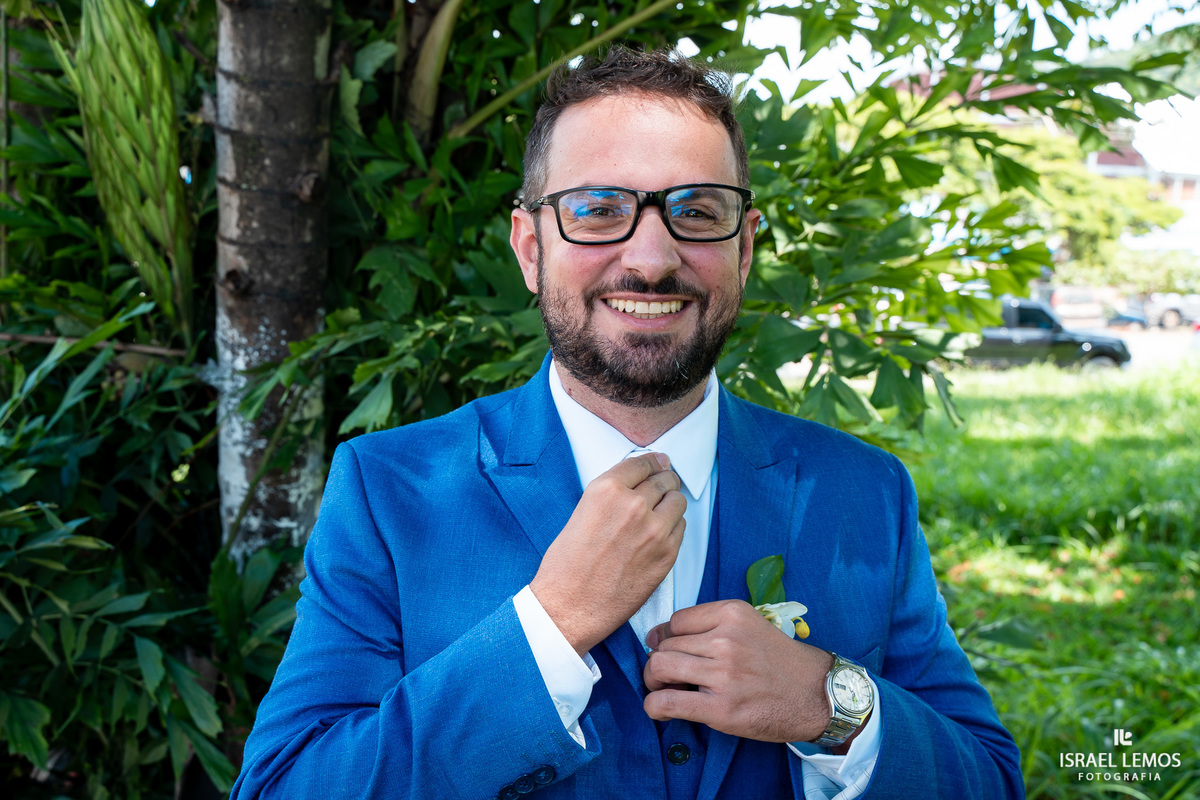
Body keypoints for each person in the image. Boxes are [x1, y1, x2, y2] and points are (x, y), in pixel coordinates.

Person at [231, 47, 1024, 800]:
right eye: (598, 208)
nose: (651, 257)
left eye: (697, 210)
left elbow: (988, 780)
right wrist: (549, 626)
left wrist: (832, 706)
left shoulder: (862, 492)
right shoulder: (390, 492)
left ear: (745, 251)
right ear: (529, 246)